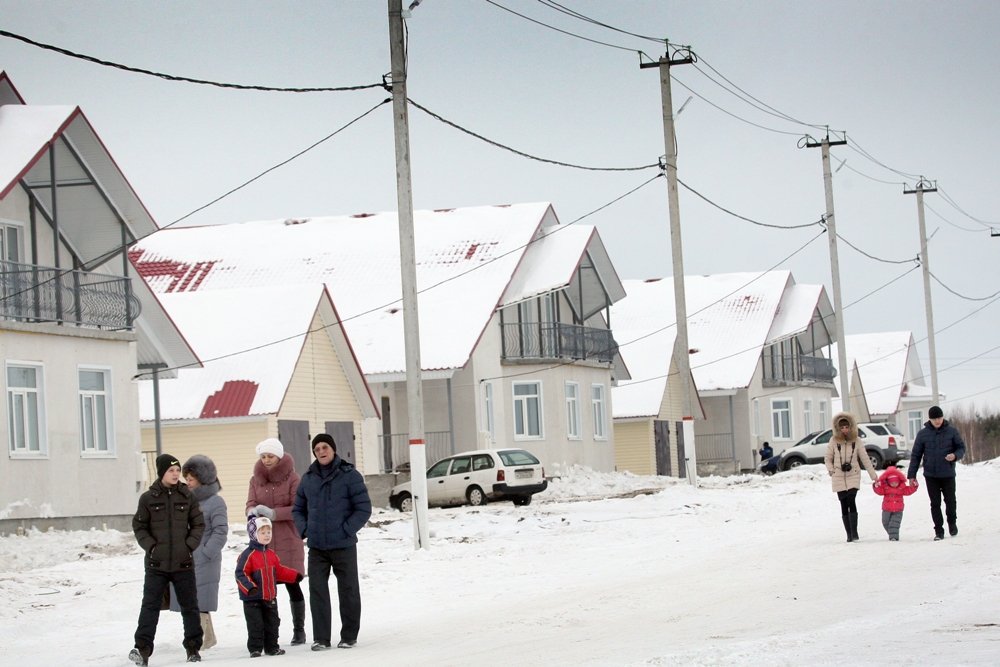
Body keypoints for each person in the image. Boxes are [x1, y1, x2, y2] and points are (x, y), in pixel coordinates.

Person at [292, 433, 372, 651]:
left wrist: (346, 529)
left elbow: (364, 508)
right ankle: (321, 638)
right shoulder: (308, 478)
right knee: (317, 591)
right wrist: (306, 530)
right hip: (317, 547)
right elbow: (297, 509)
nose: (321, 451)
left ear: (333, 449)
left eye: (325, 447)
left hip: (343, 544)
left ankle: (349, 636)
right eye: (317, 449)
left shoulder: (350, 475)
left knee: (348, 590)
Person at [129, 454, 205, 666]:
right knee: (150, 606)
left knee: (190, 606)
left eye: (177, 470)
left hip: (183, 562)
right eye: (171, 470)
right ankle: (142, 650)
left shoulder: (187, 496)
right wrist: (151, 546)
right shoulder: (148, 498)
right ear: (162, 472)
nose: (176, 474)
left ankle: (193, 649)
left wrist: (188, 546)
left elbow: (198, 524)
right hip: (156, 564)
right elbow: (139, 526)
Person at [246, 437, 307, 645]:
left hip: (288, 539)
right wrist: (251, 512)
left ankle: (299, 629)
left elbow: (297, 508)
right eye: (263, 456)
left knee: (292, 584)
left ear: (279, 456)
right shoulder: (255, 480)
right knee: (267, 588)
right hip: (265, 542)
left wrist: (273, 513)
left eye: (270, 456)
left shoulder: (293, 478)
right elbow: (250, 502)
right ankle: (271, 632)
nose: (266, 460)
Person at [168, 455, 228, 651]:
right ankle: (208, 638)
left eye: (191, 478)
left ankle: (200, 641)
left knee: (199, 600)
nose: (188, 482)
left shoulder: (215, 502)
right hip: (188, 558)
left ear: (202, 478)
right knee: (194, 599)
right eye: (186, 478)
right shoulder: (187, 500)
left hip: (205, 560)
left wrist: (204, 553)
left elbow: (220, 531)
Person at [236, 516, 304, 657]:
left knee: (272, 623)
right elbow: (240, 574)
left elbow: (279, 571)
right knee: (256, 625)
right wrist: (250, 587)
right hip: (252, 599)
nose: (267, 535)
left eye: (269, 532)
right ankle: (255, 648)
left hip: (270, 597)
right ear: (253, 534)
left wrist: (293, 576)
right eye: (263, 532)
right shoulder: (248, 555)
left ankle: (272, 647)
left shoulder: (271, 554)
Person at [907, 405, 966, 540]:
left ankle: (952, 523)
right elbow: (916, 455)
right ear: (930, 420)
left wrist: (955, 456)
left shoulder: (951, 431)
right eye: (934, 419)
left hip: (948, 474)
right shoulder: (923, 434)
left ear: (942, 417)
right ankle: (938, 531)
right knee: (935, 503)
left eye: (939, 418)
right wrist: (911, 475)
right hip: (931, 475)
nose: (937, 421)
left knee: (950, 501)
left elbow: (961, 447)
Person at [824, 412, 878, 542]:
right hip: (838, 475)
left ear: (851, 427)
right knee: (843, 503)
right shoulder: (833, 440)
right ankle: (849, 534)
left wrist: (873, 475)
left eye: (846, 427)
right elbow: (827, 458)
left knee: (851, 500)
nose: (844, 430)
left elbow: (865, 458)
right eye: (842, 428)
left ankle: (854, 532)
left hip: (853, 474)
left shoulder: (857, 440)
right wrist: (831, 470)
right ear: (838, 428)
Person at [872, 465, 919, 541]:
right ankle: (892, 533)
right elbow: (879, 491)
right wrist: (876, 486)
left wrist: (914, 486)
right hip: (886, 509)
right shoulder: (885, 488)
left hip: (898, 510)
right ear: (888, 482)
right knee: (885, 522)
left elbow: (909, 490)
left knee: (895, 523)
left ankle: (894, 537)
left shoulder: (902, 488)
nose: (894, 484)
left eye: (896, 482)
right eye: (892, 482)